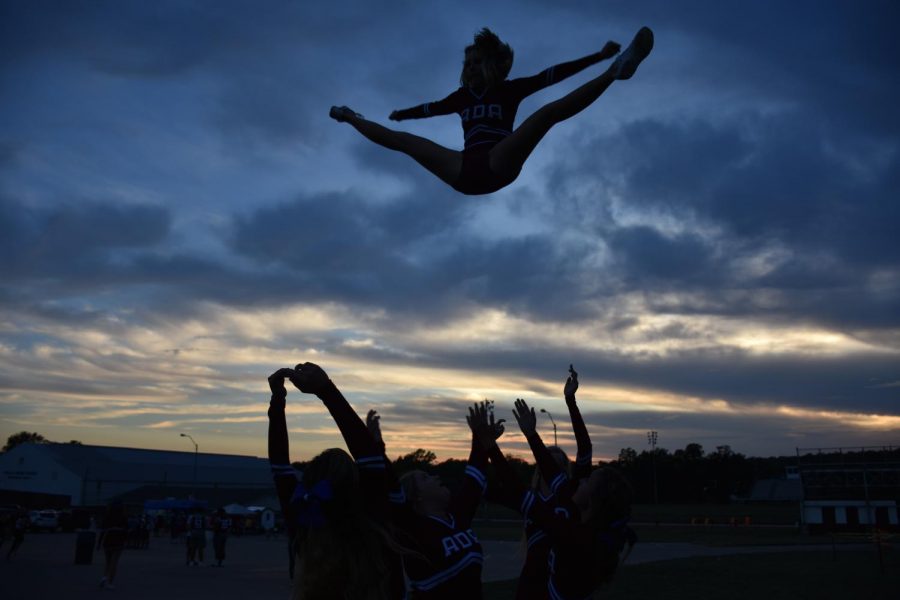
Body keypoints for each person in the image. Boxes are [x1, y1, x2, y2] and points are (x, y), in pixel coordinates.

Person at [330, 26, 653, 195]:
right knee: (403, 142)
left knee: (545, 115)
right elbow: (429, 109)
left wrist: (596, 57)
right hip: (463, 170)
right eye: (466, 63)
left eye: (475, 62)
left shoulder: (509, 89)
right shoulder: (460, 98)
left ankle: (616, 70)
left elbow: (551, 76)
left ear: (489, 64)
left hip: (500, 161)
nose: (469, 68)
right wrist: (403, 114)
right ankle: (350, 117)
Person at [469, 399, 634, 599]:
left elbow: (521, 492)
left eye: (587, 481)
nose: (580, 482)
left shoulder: (576, 536)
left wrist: (489, 447)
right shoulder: (581, 520)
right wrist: (530, 433)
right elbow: (544, 475)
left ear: (592, 502)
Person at [268, 366, 401, 599]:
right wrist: (326, 390)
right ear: (355, 483)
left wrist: (278, 400)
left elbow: (279, 462)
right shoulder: (368, 518)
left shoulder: (302, 514)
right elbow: (369, 456)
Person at [516, 365, 593, 599]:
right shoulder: (530, 499)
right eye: (551, 463)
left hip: (564, 584)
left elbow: (585, 448)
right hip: (532, 586)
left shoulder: (571, 494)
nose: (556, 466)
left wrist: (570, 401)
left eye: (561, 464)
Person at [97, 500, 128, 589]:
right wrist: (125, 541)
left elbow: (102, 531)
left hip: (107, 541)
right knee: (114, 563)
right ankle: (110, 582)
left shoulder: (107, 517)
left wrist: (99, 543)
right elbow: (126, 531)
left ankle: (104, 577)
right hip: (118, 541)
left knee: (108, 562)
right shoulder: (123, 518)